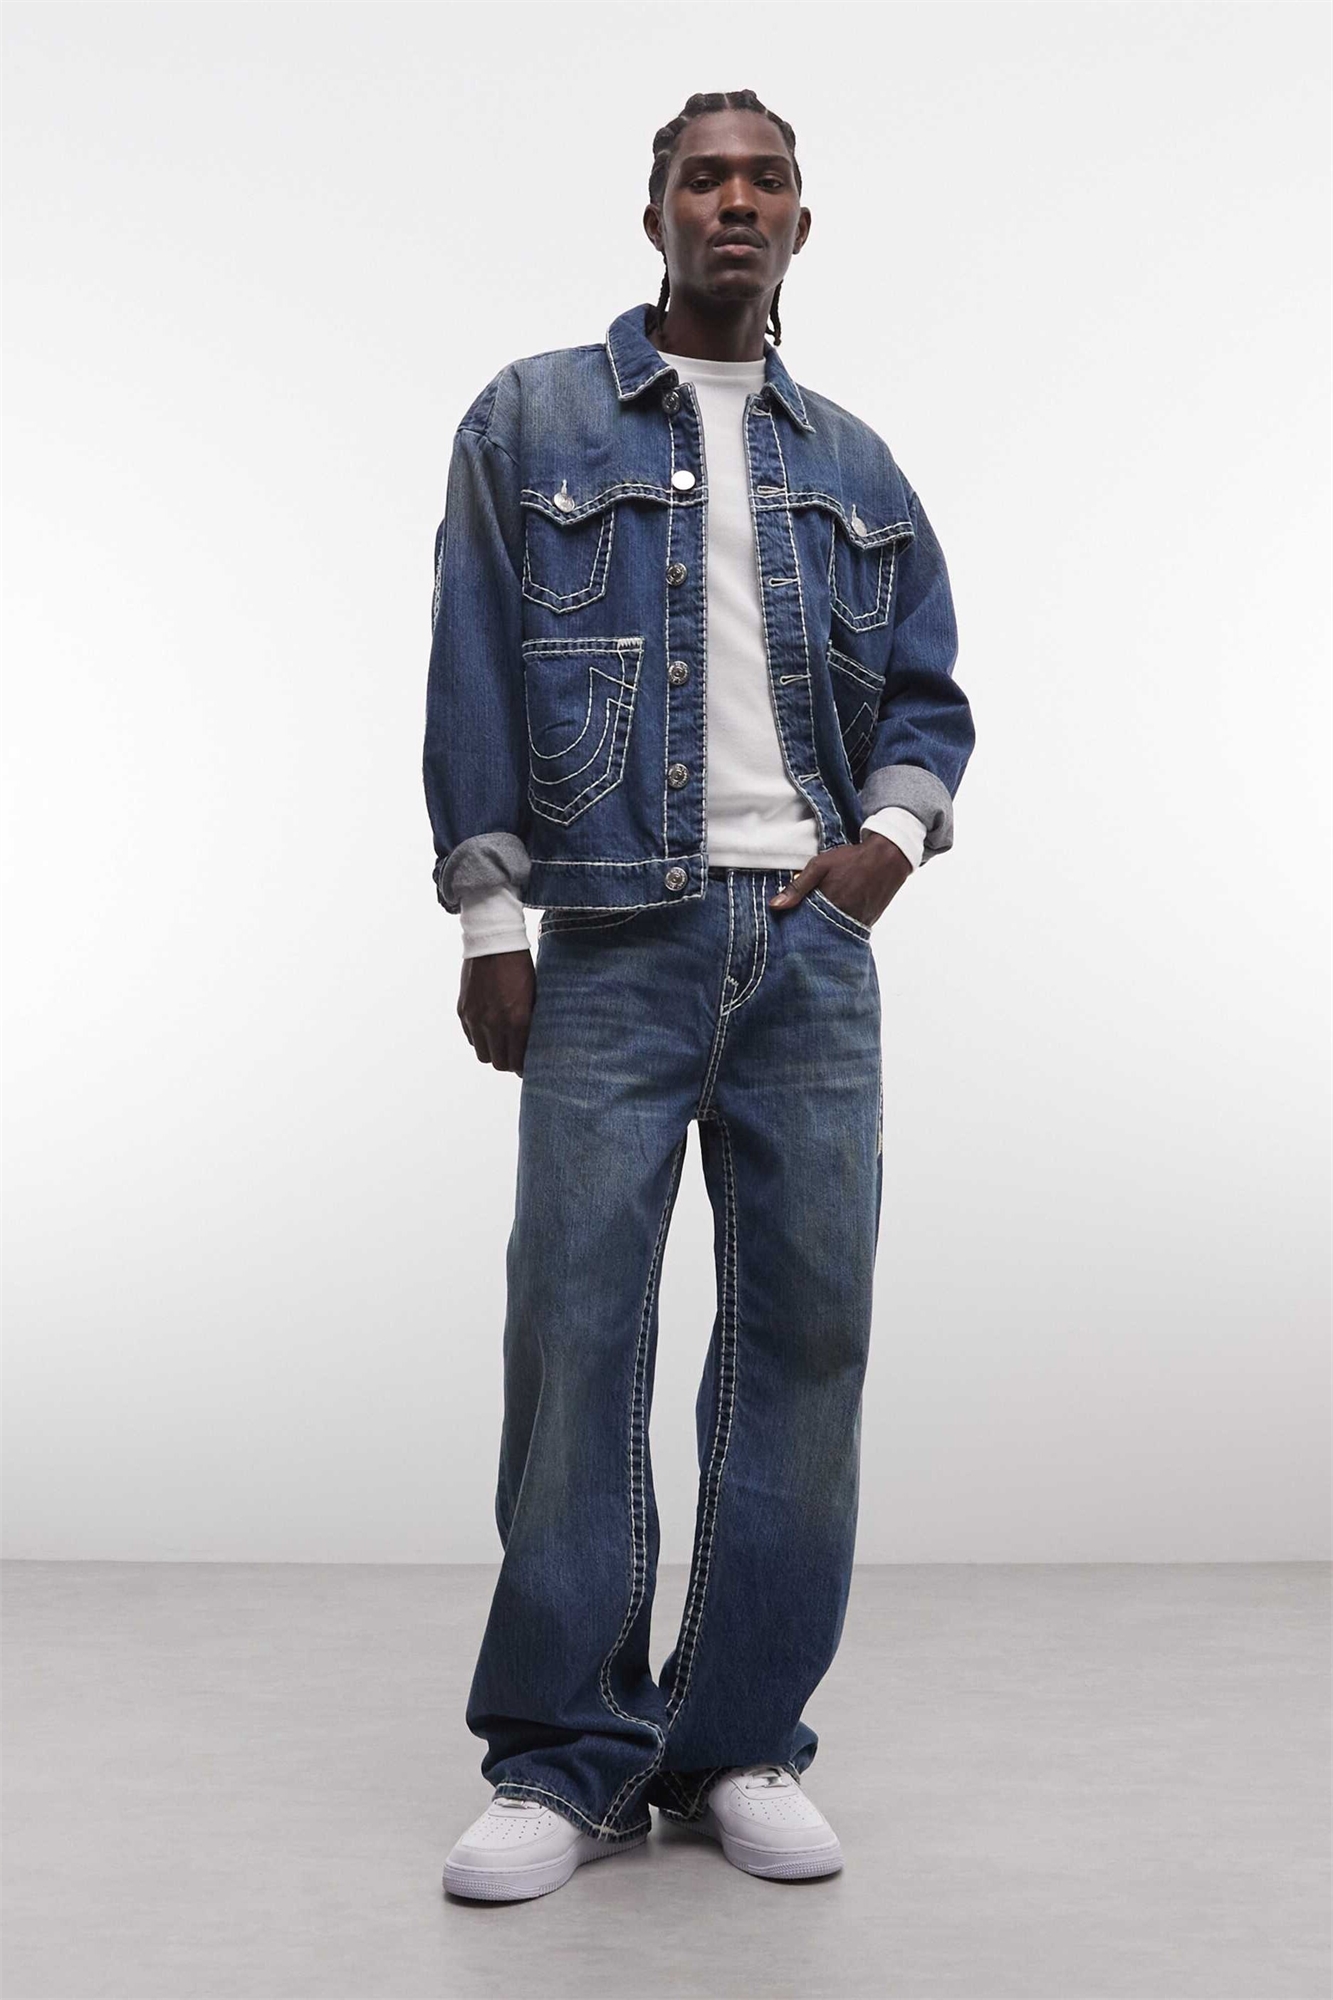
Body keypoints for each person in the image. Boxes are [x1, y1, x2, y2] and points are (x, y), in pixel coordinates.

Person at [423, 88, 975, 1903]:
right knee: (576, 1336)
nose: (735, 201)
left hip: (809, 949)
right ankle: (564, 1755)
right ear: (654, 212)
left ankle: (735, 1741)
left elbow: (926, 695)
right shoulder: (531, 419)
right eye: (703, 178)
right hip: (609, 935)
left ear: (800, 225)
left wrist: (887, 843)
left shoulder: (858, 464)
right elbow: (472, 666)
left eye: (767, 180)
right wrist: (488, 920)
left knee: (803, 1343)